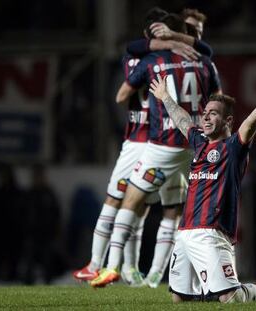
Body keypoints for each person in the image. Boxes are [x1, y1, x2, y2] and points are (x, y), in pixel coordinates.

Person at [90, 13, 221, 288]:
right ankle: (163, 275)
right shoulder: (204, 62)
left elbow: (121, 95)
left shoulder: (150, 61)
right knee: (184, 212)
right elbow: (217, 102)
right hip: (193, 144)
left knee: (131, 201)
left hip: (161, 145)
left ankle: (111, 266)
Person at [148, 70, 256, 303]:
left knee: (230, 297)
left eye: (213, 114)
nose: (206, 118)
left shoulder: (233, 148)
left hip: (212, 231)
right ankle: (211, 292)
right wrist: (166, 97)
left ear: (228, 121)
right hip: (185, 232)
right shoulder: (199, 142)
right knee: (179, 299)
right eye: (205, 114)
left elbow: (250, 123)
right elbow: (182, 120)